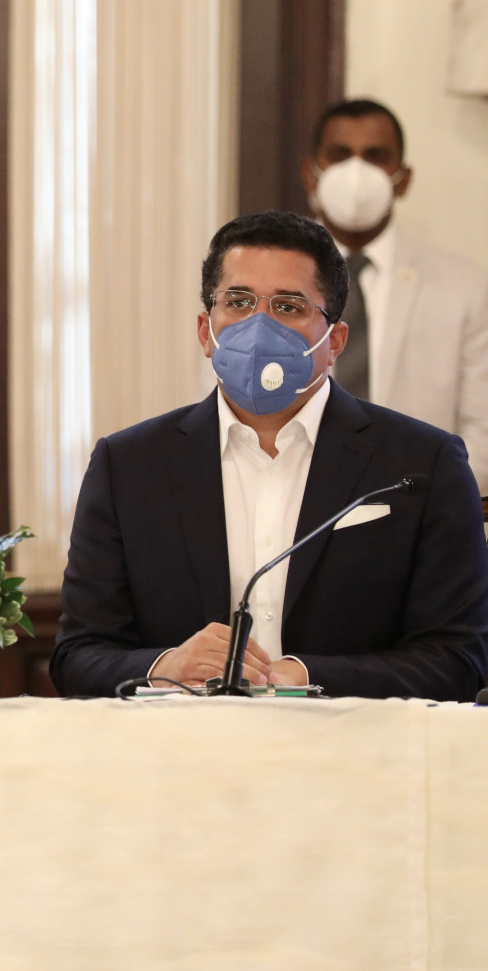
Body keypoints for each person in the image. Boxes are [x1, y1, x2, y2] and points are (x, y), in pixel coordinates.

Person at [51, 211, 488, 701]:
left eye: (288, 306)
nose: (258, 326)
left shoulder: (422, 465)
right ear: (205, 331)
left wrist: (304, 675)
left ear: (334, 342)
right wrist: (164, 666)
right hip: (180, 742)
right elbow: (77, 656)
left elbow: (458, 660)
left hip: (353, 742)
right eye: (238, 302)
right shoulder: (128, 466)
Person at [303, 98, 488, 487]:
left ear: (403, 179)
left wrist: (417, 502)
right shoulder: (258, 285)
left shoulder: (466, 288)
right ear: (311, 175)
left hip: (421, 504)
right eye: (340, 155)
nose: (357, 173)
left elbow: (483, 433)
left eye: (375, 157)